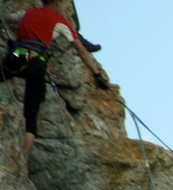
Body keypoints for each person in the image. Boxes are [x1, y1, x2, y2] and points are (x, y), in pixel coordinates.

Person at [0, 0, 110, 161]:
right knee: (31, 116)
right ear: (58, 3)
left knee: (6, 68)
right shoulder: (60, 21)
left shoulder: (28, 13)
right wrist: (96, 74)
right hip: (37, 61)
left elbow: (8, 19)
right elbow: (81, 50)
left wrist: (20, 34)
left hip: (17, 54)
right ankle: (21, 161)